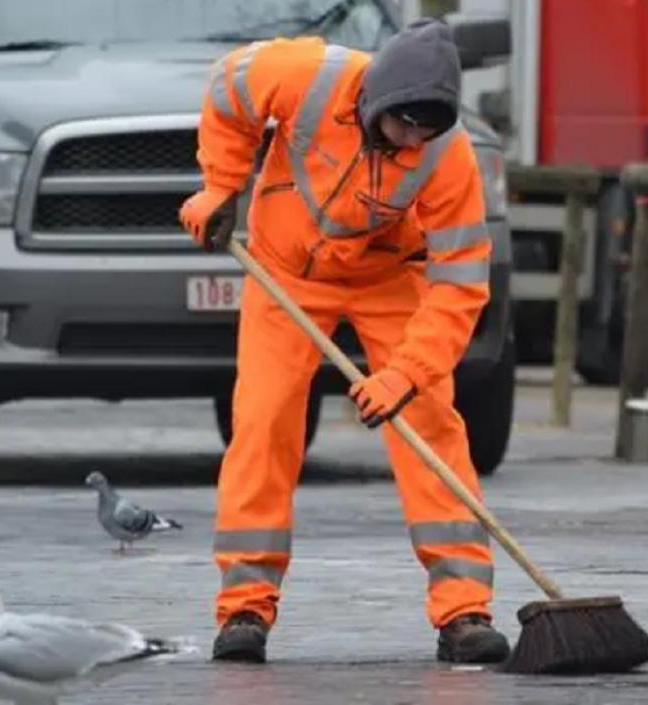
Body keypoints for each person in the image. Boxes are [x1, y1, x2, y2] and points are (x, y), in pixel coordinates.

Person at [179, 18, 509, 665]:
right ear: (377, 99)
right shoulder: (302, 74)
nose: (414, 140)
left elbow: (461, 284)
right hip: (286, 271)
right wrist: (221, 184)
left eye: (427, 129)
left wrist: (406, 372)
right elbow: (227, 91)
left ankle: (464, 609)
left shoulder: (449, 154)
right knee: (265, 419)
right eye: (404, 125)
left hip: (390, 275)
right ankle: (245, 605)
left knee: (430, 420)